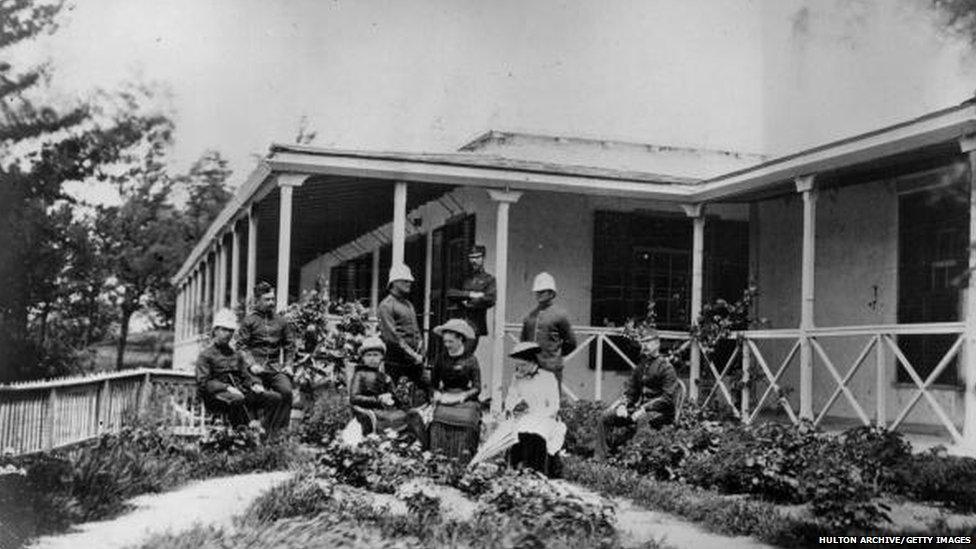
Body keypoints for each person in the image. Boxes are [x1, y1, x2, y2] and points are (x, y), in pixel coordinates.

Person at [195, 308, 291, 434]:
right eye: (224, 330)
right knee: (237, 400)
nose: (228, 334)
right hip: (216, 396)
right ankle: (241, 434)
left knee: (275, 398)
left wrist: (255, 384)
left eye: (230, 331)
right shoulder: (205, 355)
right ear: (215, 331)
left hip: (240, 392)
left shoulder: (236, 355)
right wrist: (227, 387)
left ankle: (269, 434)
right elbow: (204, 382)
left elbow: (246, 374)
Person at [594, 329, 678, 459]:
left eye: (648, 342)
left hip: (662, 413)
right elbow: (631, 392)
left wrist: (644, 409)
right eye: (643, 343)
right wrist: (623, 405)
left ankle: (633, 461)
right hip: (640, 410)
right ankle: (600, 458)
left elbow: (667, 399)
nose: (644, 346)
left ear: (657, 344)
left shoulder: (666, 368)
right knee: (606, 416)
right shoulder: (641, 366)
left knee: (642, 419)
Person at [237, 281, 296, 429]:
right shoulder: (249, 321)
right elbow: (241, 346)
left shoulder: (281, 322)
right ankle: (252, 430)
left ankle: (278, 432)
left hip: (274, 368)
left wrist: (288, 365)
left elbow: (289, 345)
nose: (271, 302)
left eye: (272, 299)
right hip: (254, 370)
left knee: (287, 391)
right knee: (259, 394)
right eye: (267, 299)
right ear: (257, 300)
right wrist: (251, 364)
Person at [504, 341, 566, 477]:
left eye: (523, 365)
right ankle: (516, 471)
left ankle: (537, 473)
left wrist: (539, 416)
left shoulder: (548, 378)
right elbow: (511, 398)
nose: (520, 369)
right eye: (518, 365)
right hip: (524, 416)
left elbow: (554, 405)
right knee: (517, 432)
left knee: (536, 434)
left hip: (545, 417)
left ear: (533, 362)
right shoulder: (517, 378)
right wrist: (512, 407)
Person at [425, 318, 482, 460]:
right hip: (445, 395)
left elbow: (477, 387)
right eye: (445, 342)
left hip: (464, 398)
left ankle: (463, 458)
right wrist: (436, 394)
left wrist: (463, 396)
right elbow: (433, 384)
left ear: (460, 339)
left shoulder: (471, 360)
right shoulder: (441, 359)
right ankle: (438, 457)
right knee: (436, 418)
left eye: (451, 342)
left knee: (468, 419)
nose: (447, 345)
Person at [519, 272, 577, 393]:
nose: (539, 294)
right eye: (537, 292)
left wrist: (555, 356)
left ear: (551, 293)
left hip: (551, 368)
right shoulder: (530, 316)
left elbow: (571, 342)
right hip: (532, 368)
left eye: (543, 291)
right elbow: (523, 342)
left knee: (551, 404)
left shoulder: (560, 315)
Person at [377, 264, 426, 405]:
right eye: (405, 280)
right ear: (394, 282)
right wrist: (413, 354)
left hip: (415, 361)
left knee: (422, 393)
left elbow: (416, 331)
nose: (409, 283)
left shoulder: (408, 304)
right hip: (396, 361)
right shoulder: (386, 305)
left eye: (409, 280)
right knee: (394, 398)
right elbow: (392, 337)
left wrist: (421, 351)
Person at [348, 336, 413, 435]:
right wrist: (378, 399)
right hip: (369, 410)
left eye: (375, 355)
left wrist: (399, 397)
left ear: (381, 357)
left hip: (386, 410)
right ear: (363, 358)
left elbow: (394, 397)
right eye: (368, 355)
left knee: (411, 415)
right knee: (396, 419)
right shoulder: (360, 375)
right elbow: (354, 398)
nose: (372, 358)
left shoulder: (385, 377)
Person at [447, 245, 496, 353]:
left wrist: (468, 303)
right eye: (471, 258)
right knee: (453, 354)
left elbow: (490, 299)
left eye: (477, 257)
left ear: (483, 258)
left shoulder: (489, 279)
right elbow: (450, 292)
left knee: (466, 354)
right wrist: (470, 294)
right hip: (458, 322)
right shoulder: (463, 277)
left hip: (475, 325)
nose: (474, 261)